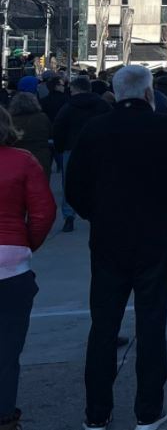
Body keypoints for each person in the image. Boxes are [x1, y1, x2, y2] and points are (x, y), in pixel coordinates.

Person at [65, 65, 167, 430]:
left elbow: (74, 186)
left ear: (116, 93)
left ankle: (96, 412)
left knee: (103, 325)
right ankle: (148, 410)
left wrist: (97, 214)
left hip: (108, 239)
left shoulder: (95, 130)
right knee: (151, 322)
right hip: (155, 238)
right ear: (149, 94)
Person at [0, 107, 56, 430]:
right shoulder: (22, 161)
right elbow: (43, 210)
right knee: (7, 350)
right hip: (11, 260)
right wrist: (25, 244)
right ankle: (5, 414)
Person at [52, 75, 112, 233]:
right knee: (98, 182)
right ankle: (99, 212)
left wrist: (59, 147)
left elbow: (59, 127)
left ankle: (69, 216)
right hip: (98, 148)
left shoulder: (69, 106)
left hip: (72, 148)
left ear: (75, 89)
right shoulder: (102, 105)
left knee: (69, 183)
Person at [7, 94, 52, 180]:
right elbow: (50, 133)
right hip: (40, 156)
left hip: (18, 157)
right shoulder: (42, 117)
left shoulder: (10, 120)